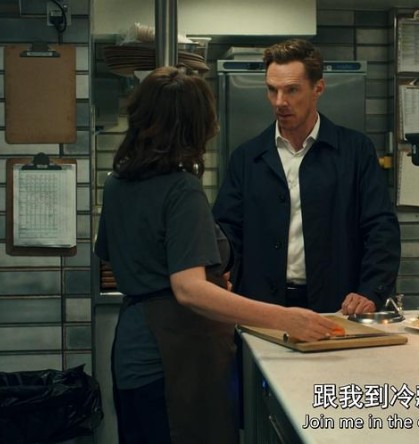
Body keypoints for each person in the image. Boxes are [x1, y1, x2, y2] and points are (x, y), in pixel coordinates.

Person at [94, 65, 340, 444]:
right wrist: (285, 318)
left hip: (131, 349)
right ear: (194, 126)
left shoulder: (116, 184)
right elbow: (189, 289)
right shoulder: (181, 188)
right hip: (176, 355)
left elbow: (113, 254)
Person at [213, 39, 401, 315]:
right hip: (262, 307)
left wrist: (371, 290)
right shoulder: (247, 157)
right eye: (272, 90)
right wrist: (219, 274)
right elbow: (226, 230)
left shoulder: (355, 151)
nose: (280, 102)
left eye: (292, 90)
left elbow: (381, 228)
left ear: (318, 89)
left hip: (337, 306)